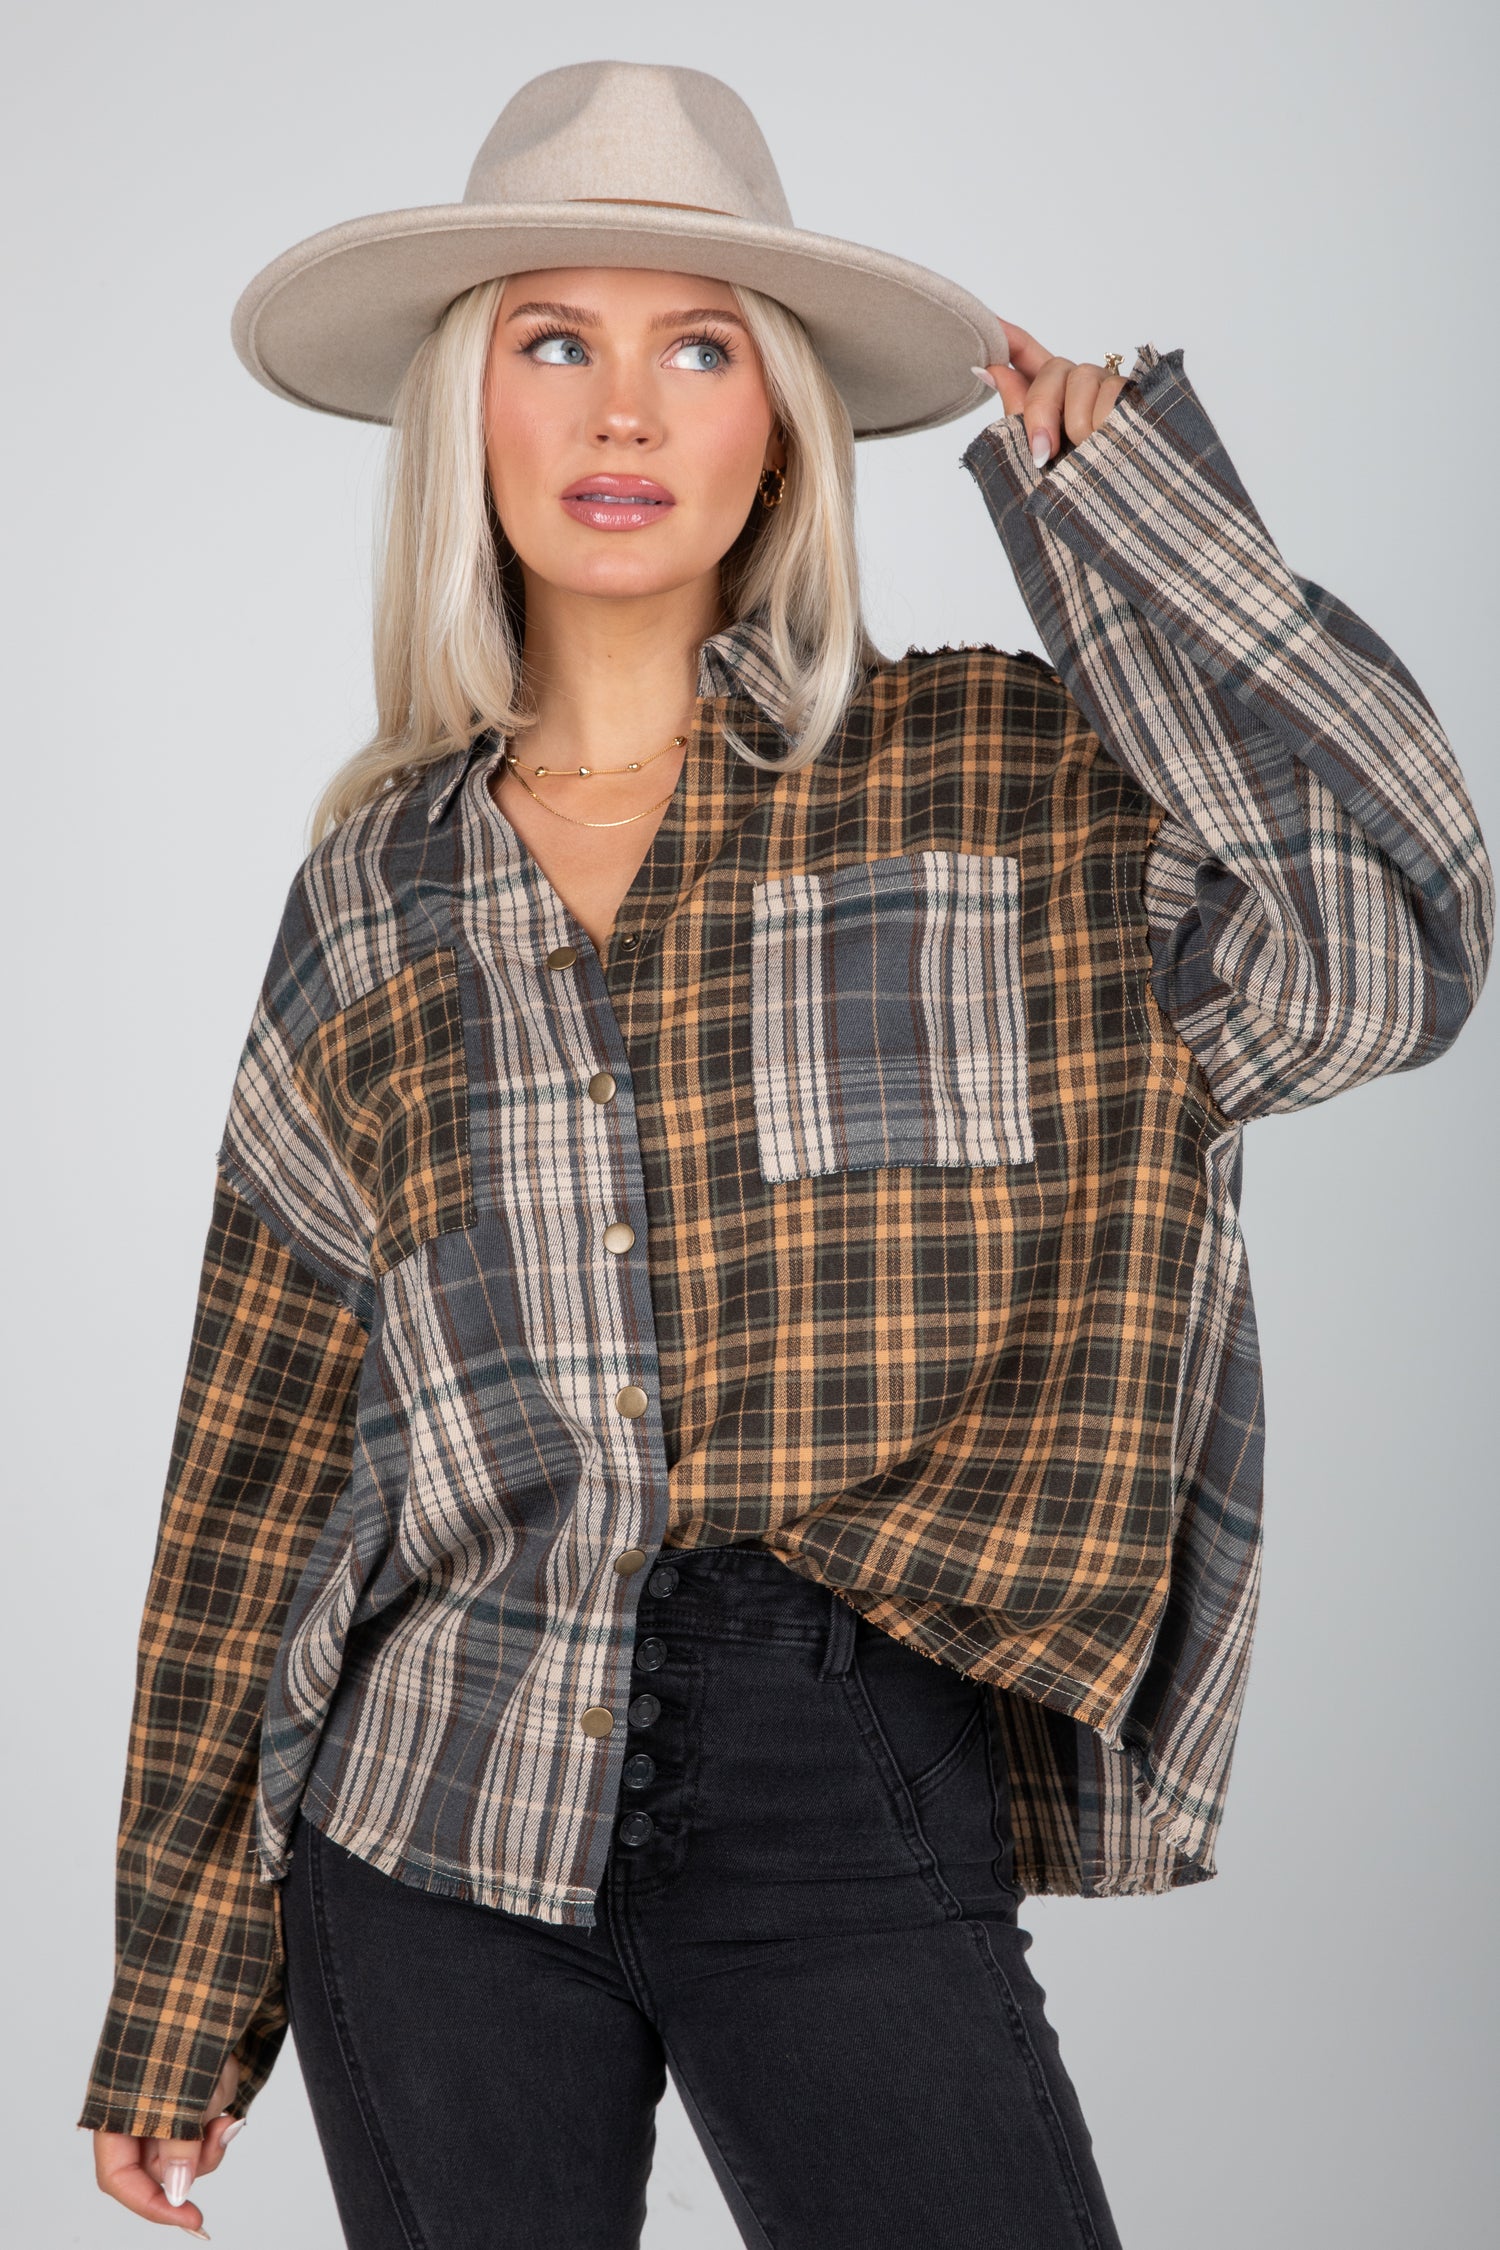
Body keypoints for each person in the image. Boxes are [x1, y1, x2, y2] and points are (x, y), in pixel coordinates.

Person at [78, 57, 1492, 2250]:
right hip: (427, 1815)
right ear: (473, 412)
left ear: (782, 427)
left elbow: (1379, 956)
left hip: (842, 1770)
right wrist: (177, 1990)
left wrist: (1132, 520)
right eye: (555, 344)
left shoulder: (1003, 785)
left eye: (698, 348)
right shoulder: (371, 893)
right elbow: (258, 1455)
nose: (623, 415)